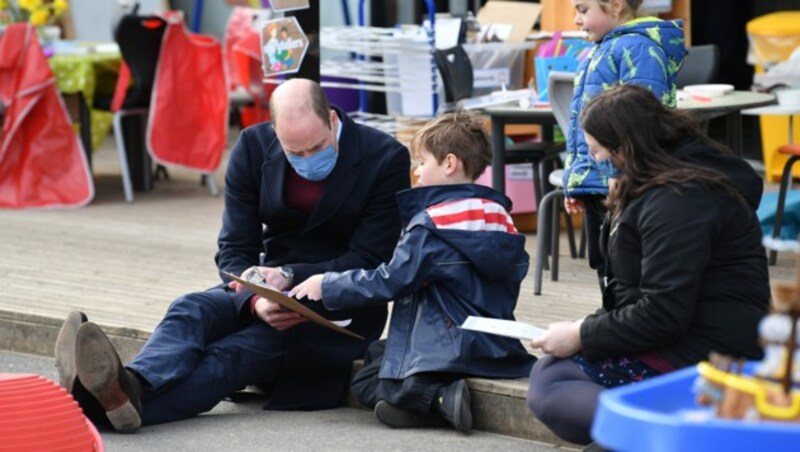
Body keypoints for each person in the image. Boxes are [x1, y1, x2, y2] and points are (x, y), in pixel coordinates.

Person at [53, 78, 411, 432]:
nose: (307, 160)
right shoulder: (254, 146)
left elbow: (369, 259)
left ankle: (95, 407)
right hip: (260, 287)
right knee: (190, 308)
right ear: (275, 132)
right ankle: (129, 386)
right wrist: (256, 297)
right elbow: (235, 248)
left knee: (232, 354)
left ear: (333, 119)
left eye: (316, 147)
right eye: (294, 152)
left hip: (338, 306)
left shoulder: (385, 157)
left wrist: (289, 275)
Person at [526, 84, 770, 445]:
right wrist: (584, 329)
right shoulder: (664, 181)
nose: (598, 165)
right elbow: (638, 288)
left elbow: (663, 312)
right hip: (691, 330)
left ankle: (666, 437)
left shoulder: (678, 199)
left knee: (552, 384)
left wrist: (582, 333)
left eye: (599, 154)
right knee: (552, 372)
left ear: (625, 149)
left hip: (710, 348)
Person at [290, 111, 536, 432]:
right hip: (494, 344)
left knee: (371, 381)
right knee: (380, 351)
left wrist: (328, 285)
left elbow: (391, 281)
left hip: (446, 348)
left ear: (449, 164)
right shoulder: (501, 217)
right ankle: (435, 403)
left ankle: (438, 398)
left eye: (421, 162)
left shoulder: (432, 224)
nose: (417, 172)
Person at [562, 0, 685, 280]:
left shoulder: (638, 48)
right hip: (599, 180)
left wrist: (621, 172)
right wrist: (578, 181)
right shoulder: (601, 49)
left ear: (615, 6)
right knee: (603, 260)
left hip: (624, 181)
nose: (576, 20)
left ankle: (624, 320)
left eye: (583, 11)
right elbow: (583, 126)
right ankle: (612, 316)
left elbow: (639, 120)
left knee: (626, 264)